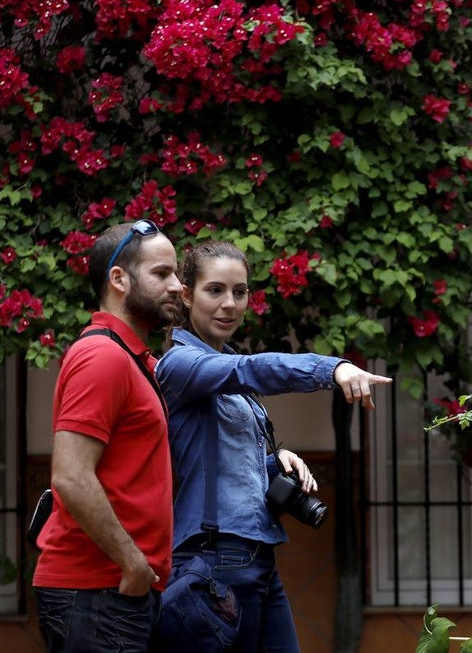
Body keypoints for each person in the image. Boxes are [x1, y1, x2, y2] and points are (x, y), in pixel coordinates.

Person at [155, 240, 391, 653]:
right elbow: (250, 370)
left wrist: (271, 462)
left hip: (257, 555)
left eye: (240, 291)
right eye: (215, 290)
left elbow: (219, 458)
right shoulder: (180, 363)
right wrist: (331, 368)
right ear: (187, 294)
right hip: (217, 558)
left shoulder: (224, 365)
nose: (230, 303)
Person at [33, 219, 182, 652]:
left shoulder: (135, 360)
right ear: (118, 278)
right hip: (98, 592)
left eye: (175, 273)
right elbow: (71, 476)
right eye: (160, 274)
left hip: (116, 593)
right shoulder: (102, 356)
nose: (176, 286)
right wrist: (133, 563)